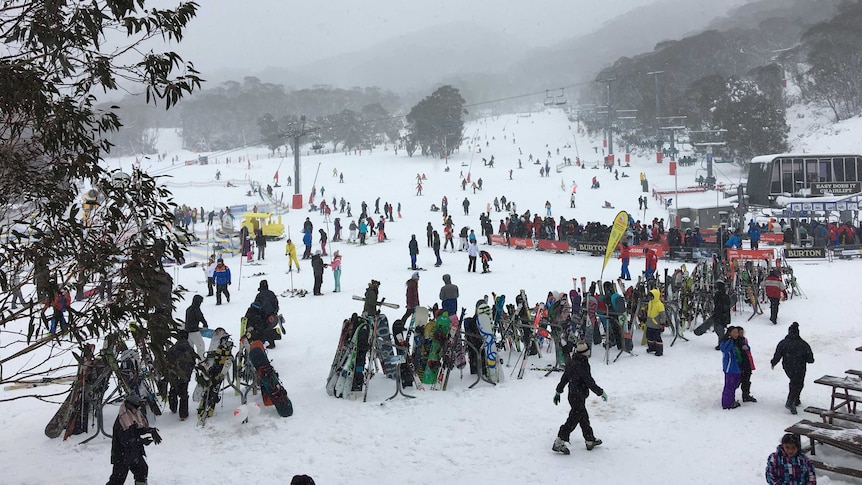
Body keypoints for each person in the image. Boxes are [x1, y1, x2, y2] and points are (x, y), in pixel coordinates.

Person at [552, 340, 608, 455]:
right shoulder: (582, 365)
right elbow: (589, 382)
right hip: (578, 396)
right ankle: (559, 441)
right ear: (585, 353)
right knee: (573, 420)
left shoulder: (573, 362)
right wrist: (600, 392)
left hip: (573, 395)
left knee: (583, 418)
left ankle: (589, 440)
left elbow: (564, 378)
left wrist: (558, 392)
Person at [106, 395, 161, 485]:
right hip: (122, 455)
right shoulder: (122, 420)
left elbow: (136, 430)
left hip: (133, 452)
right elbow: (126, 441)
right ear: (129, 406)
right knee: (117, 480)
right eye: (136, 407)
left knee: (142, 470)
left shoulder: (132, 416)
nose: (138, 410)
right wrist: (142, 441)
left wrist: (150, 430)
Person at [770, 322, 815, 415]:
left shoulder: (783, 343)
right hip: (800, 366)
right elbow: (810, 358)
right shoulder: (803, 344)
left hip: (787, 366)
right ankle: (791, 401)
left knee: (794, 382)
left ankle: (795, 400)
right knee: (798, 383)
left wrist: (773, 362)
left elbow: (778, 354)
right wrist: (809, 359)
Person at [165, 331, 197, 421]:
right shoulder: (190, 349)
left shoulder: (172, 349)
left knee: (173, 390)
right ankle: (183, 414)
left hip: (174, 374)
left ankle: (173, 407)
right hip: (185, 374)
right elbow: (193, 362)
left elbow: (167, 360)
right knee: (184, 393)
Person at [720, 326, 742, 409]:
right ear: (729, 333)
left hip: (736, 367)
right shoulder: (727, 342)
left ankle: (731, 401)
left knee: (733, 385)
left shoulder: (737, 341)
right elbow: (724, 349)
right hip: (730, 368)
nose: (736, 334)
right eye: (734, 332)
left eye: (737, 332)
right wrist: (730, 340)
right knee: (729, 386)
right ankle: (727, 403)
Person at [736, 326, 757, 403]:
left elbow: (748, 350)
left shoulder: (744, 340)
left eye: (742, 332)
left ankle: (746, 395)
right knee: (738, 381)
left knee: (746, 380)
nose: (741, 334)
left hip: (747, 363)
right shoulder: (735, 341)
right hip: (741, 363)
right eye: (740, 333)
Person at [184, 294, 208, 359]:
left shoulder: (189, 309)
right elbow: (200, 317)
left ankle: (190, 362)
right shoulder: (196, 309)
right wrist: (205, 324)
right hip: (194, 331)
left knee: (190, 348)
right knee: (201, 346)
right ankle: (201, 361)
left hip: (187, 331)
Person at [645, 288, 666, 356]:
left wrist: (662, 324)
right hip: (649, 324)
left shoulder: (660, 305)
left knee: (657, 338)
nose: (650, 298)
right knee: (649, 337)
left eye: (652, 296)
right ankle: (651, 348)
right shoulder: (650, 303)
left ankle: (659, 351)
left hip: (656, 325)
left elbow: (663, 315)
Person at [712, 280, 732, 350]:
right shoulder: (721, 295)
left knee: (720, 330)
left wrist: (723, 314)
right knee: (718, 329)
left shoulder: (723, 295)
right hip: (719, 314)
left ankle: (722, 344)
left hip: (721, 315)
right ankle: (722, 342)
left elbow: (725, 305)